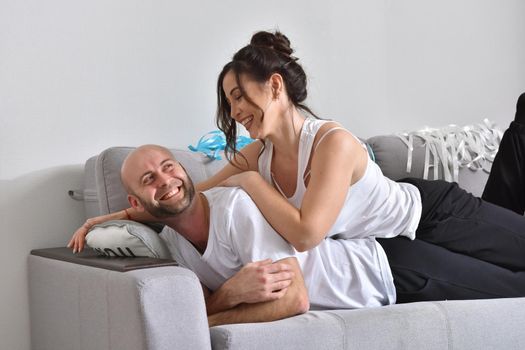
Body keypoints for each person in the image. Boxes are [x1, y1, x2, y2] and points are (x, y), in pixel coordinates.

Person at [117, 144, 397, 326]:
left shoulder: (234, 208)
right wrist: (228, 293)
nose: (165, 180)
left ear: (183, 170)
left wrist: (207, 319)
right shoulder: (171, 245)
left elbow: (294, 299)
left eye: (168, 166)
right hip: (375, 280)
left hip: (378, 273)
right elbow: (199, 306)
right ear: (136, 204)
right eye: (148, 179)